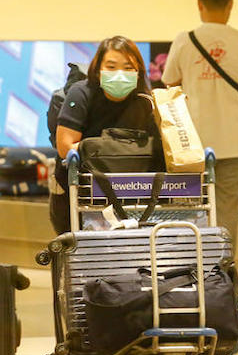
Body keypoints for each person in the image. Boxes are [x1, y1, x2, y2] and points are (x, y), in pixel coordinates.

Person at [162, 0, 238, 250]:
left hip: (192, 144)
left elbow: (169, 81)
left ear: (200, 4)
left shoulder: (184, 40)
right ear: (230, 3)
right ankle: (222, 274)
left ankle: (190, 272)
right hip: (235, 141)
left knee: (191, 210)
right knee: (227, 213)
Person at [51, 35, 159, 235]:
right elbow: (65, 146)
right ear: (98, 70)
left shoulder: (145, 101)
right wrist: (116, 150)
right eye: (111, 67)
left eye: (128, 68)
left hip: (130, 198)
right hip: (77, 194)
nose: (119, 74)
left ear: (138, 72)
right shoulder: (81, 93)